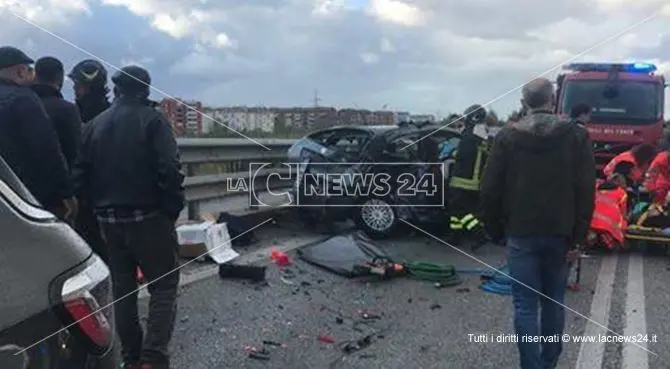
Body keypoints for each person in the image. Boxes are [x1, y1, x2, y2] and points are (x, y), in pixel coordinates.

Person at [73, 65, 184, 369]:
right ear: (145, 90)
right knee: (163, 286)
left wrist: (97, 211)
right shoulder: (154, 121)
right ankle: (152, 359)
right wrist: (171, 210)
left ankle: (131, 358)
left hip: (108, 221)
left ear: (118, 89)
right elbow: (170, 171)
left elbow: (80, 176)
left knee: (123, 291)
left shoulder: (94, 124)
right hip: (149, 218)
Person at [480, 78, 595, 369]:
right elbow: (585, 189)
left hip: (521, 232)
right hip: (560, 233)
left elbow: (490, 187)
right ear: (552, 99)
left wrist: (494, 229)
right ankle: (548, 363)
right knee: (553, 301)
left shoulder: (507, 136)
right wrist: (579, 238)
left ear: (524, 102)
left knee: (525, 305)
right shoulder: (575, 136)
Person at [0, 46, 77, 222]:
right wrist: (65, 193)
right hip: (31, 198)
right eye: (29, 69)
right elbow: (45, 148)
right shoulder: (23, 98)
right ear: (20, 72)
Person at [69, 59, 111, 263]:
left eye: (78, 86)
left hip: (90, 193)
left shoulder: (77, 115)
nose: (76, 90)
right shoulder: (111, 113)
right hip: (105, 193)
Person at [448, 104, 490, 248]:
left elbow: (461, 156)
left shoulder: (469, 136)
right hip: (474, 181)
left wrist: (452, 154)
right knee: (456, 210)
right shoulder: (482, 135)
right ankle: (455, 236)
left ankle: (478, 233)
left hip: (463, 180)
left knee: (461, 211)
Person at [31, 56, 83, 172]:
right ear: (60, 78)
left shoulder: (21, 104)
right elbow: (76, 151)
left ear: (35, 76)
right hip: (57, 178)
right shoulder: (67, 109)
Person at [588, 163, 630, 250]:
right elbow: (623, 212)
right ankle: (608, 240)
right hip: (609, 224)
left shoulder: (596, 188)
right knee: (622, 223)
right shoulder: (621, 193)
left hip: (591, 221)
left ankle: (593, 238)